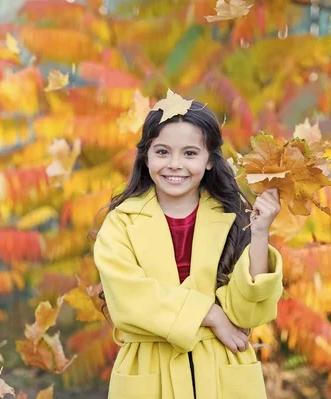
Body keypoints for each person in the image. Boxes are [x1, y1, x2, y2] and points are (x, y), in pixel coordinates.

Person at [93, 94, 283, 399]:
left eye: (190, 153)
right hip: (150, 374)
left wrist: (260, 233)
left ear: (209, 160)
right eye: (163, 152)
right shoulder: (121, 224)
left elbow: (247, 314)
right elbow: (129, 300)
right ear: (146, 156)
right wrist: (209, 315)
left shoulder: (231, 218)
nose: (175, 164)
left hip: (222, 373)